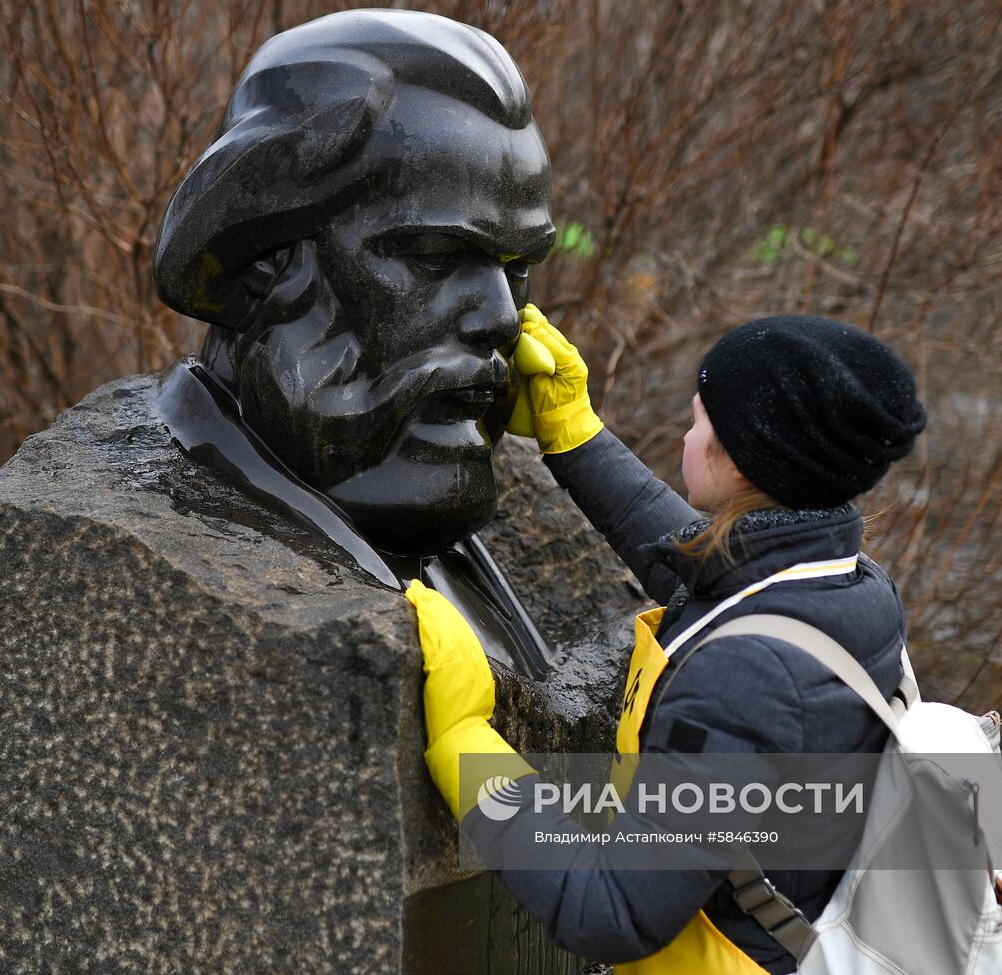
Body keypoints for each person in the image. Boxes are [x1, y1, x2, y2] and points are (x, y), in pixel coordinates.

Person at [406, 309, 928, 974]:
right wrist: (571, 431)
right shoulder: (849, 583)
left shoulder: (748, 678)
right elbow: (706, 570)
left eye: (698, 420)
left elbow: (614, 910)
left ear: (740, 461)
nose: (687, 434)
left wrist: (466, 743)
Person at [153, 9, 554, 555]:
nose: (503, 318)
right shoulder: (161, 553)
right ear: (265, 264)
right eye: (435, 257)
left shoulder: (439, 537)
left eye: (518, 267)